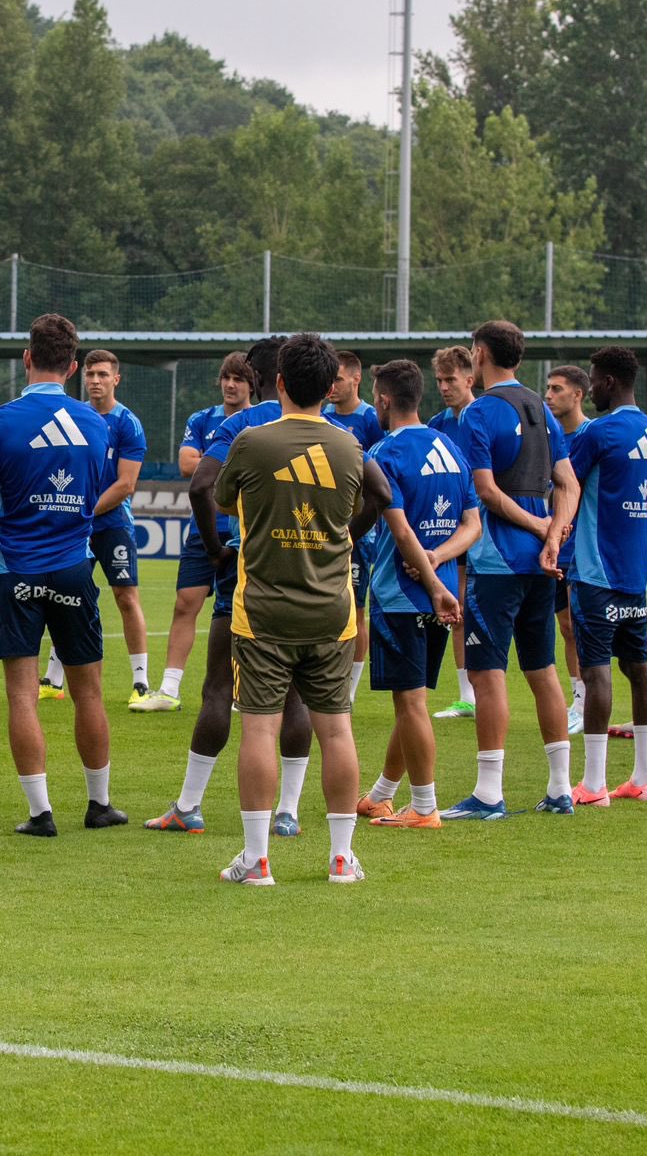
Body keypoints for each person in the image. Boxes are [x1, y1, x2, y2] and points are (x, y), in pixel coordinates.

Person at [216, 333, 433, 886]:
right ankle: (341, 858)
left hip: (262, 611)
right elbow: (379, 499)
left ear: (279, 383)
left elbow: (221, 500)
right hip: (332, 612)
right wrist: (343, 536)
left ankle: (257, 860)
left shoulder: (250, 442)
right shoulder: (351, 449)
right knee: (336, 730)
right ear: (330, 386)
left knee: (260, 732)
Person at [0, 314, 125, 835]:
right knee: (89, 691)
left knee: (22, 695)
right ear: (73, 367)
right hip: (74, 568)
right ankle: (99, 805)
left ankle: (40, 813)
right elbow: (94, 495)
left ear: (27, 359)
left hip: (16, 571)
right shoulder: (95, 423)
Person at [145, 341, 300, 833]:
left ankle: (188, 807)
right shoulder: (327, 428)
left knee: (218, 689)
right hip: (305, 577)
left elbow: (198, 486)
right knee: (297, 695)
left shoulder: (241, 425)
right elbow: (375, 494)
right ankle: (289, 813)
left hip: (246, 575)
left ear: (261, 377)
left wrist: (215, 549)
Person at [443, 320, 581, 820]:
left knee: (487, 674)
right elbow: (568, 485)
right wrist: (553, 534)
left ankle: (488, 793)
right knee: (543, 669)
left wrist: (541, 527)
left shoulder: (479, 412)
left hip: (497, 562)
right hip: (541, 564)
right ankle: (561, 789)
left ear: (479, 353)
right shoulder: (542, 408)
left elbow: (484, 491)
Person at [356, 360, 477, 829]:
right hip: (433, 594)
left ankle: (424, 808)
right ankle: (381, 795)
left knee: (410, 704)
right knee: (414, 702)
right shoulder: (450, 447)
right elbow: (473, 525)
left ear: (383, 400)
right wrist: (439, 560)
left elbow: (400, 529)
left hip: (402, 596)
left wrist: (429, 576)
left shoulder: (384, 452)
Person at [559, 348, 647, 803]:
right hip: (634, 572)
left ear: (605, 382)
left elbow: (566, 488)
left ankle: (595, 783)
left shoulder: (598, 432)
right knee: (637, 666)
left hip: (595, 570)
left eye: (594, 379)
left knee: (596, 670)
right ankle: (643, 779)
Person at [140, 352, 254, 711]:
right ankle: (169, 689)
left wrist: (212, 461)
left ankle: (240, 689)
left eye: (239, 378)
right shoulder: (202, 418)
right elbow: (188, 465)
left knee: (240, 612)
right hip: (203, 526)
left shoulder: (258, 421)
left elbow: (203, 465)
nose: (230, 384)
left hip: (244, 530)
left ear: (254, 384)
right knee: (185, 603)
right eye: (226, 377)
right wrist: (229, 467)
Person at [40, 349, 151, 705]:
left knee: (125, 596)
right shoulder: (75, 418)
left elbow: (125, 484)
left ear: (116, 379)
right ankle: (53, 680)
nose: (95, 381)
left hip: (112, 523)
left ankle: (140, 683)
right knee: (64, 596)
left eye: (103, 374)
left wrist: (84, 512)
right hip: (77, 524)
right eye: (90, 375)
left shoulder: (127, 423)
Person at [322, 348, 383, 703]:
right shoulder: (323, 416)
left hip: (359, 530)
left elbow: (377, 482)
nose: (332, 387)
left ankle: (350, 688)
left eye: (339, 379)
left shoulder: (372, 420)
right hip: (324, 524)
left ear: (357, 380)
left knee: (354, 608)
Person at [428, 344, 480, 718]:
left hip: (488, 530)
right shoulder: (436, 425)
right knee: (457, 608)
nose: (444, 387)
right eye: (439, 380)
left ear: (470, 378)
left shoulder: (486, 418)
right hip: (451, 528)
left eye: (451, 380)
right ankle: (467, 695)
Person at [543, 363, 590, 733]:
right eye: (548, 388)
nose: (548, 395)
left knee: (578, 624)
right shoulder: (549, 437)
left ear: (578, 394)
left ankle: (586, 700)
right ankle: (579, 698)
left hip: (582, 548)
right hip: (554, 543)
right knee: (564, 625)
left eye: (557, 389)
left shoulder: (592, 435)